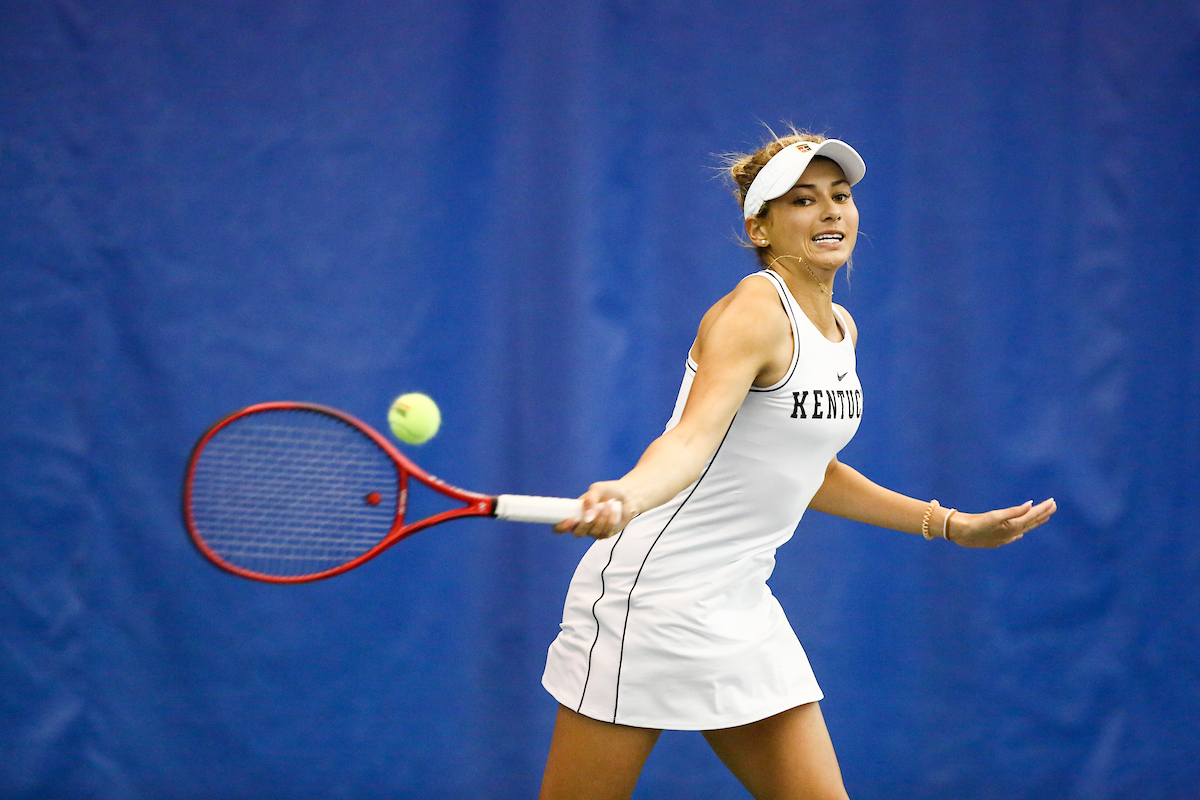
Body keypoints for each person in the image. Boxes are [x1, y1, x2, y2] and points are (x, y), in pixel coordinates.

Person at [538, 130, 1057, 800]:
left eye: (840, 196)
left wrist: (952, 525)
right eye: (804, 200)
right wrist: (631, 493)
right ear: (761, 226)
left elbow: (810, 470)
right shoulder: (751, 312)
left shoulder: (840, 326)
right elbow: (691, 440)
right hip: (650, 599)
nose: (831, 211)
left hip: (741, 601)